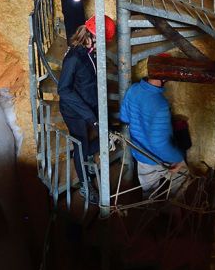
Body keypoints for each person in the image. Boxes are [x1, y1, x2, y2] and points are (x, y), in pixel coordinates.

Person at [58, 15, 116, 199]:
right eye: (102, 41)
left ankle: (83, 156)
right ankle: (85, 186)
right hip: (74, 112)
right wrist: (91, 117)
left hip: (88, 104)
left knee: (106, 136)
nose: (103, 45)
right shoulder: (74, 58)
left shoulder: (89, 52)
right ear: (91, 37)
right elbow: (64, 91)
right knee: (81, 145)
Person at [119, 70, 188, 198]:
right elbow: (159, 142)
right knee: (182, 178)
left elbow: (124, 119)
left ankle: (151, 214)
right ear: (165, 77)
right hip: (158, 157)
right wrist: (178, 158)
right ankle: (175, 212)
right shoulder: (160, 103)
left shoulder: (133, 89)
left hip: (140, 154)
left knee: (149, 195)